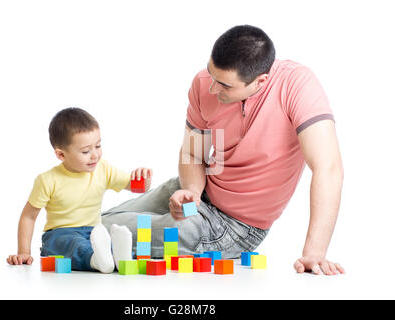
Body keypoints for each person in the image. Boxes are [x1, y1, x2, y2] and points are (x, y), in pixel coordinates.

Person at [102, 25, 345, 276]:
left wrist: (315, 252)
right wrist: (192, 191)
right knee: (90, 219)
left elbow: (328, 167)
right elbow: (193, 154)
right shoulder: (203, 83)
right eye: (211, 75)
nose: (212, 89)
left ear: (261, 81)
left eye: (225, 86)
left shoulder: (297, 85)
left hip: (235, 226)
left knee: (98, 229)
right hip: (196, 192)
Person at [6, 107, 152, 273]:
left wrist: (143, 179)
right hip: (59, 234)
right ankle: (98, 260)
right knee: (74, 245)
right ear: (61, 155)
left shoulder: (103, 169)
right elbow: (29, 216)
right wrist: (24, 252)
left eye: (98, 146)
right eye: (86, 151)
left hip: (94, 232)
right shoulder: (48, 180)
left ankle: (120, 259)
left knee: (106, 243)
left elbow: (136, 187)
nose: (95, 155)